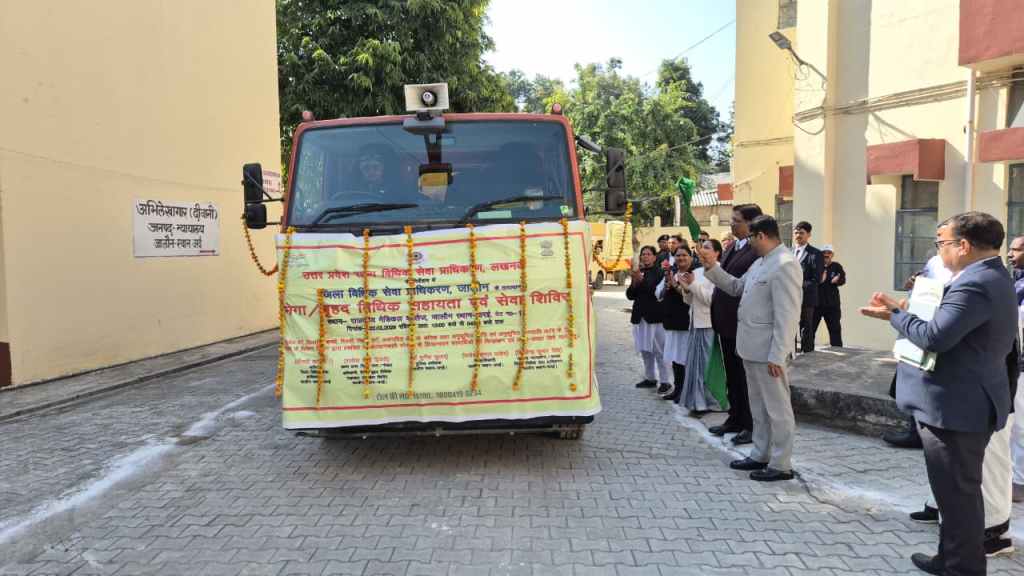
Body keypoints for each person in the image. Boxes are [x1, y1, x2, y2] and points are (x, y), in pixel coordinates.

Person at [860, 212, 1016, 575]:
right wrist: (905, 311)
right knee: (953, 494)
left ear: (963, 246)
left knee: (959, 495)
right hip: (964, 401)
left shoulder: (975, 283)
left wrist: (894, 315)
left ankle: (963, 568)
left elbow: (934, 338)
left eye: (941, 242)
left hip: (956, 407)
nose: (938, 249)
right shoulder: (991, 276)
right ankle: (950, 558)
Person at [698, 215, 802, 481]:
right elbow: (736, 287)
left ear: (761, 236)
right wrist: (712, 267)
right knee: (759, 407)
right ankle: (760, 453)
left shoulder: (785, 264)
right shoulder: (760, 262)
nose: (749, 243)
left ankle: (781, 464)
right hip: (751, 348)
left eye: (751, 238)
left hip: (769, 352)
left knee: (777, 410)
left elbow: (787, 316)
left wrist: (778, 354)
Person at [708, 204, 763, 446]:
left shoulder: (757, 251)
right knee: (732, 376)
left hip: (742, 324)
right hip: (725, 324)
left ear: (751, 223)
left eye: (736, 220)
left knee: (744, 378)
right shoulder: (733, 246)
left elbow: (742, 287)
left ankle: (750, 425)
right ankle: (735, 417)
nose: (731, 224)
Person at [676, 240, 721, 415]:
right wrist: (686, 289)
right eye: (702, 247)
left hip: (709, 324)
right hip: (695, 323)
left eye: (707, 247)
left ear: (717, 253)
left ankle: (707, 402)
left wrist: (693, 285)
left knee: (705, 367)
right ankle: (695, 402)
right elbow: (689, 301)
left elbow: (711, 300)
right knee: (693, 366)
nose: (703, 250)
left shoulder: (719, 271)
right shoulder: (696, 271)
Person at [627, 246, 672, 391]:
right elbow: (630, 295)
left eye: (648, 254)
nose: (645, 256)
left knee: (660, 351)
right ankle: (650, 378)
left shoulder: (660, 273)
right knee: (645, 350)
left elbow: (655, 292)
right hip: (640, 316)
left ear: (654, 257)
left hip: (655, 317)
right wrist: (634, 281)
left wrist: (641, 280)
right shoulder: (639, 272)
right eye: (643, 254)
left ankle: (665, 381)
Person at [655, 246, 693, 401]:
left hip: (686, 323)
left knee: (685, 358)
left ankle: (686, 391)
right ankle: (678, 389)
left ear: (690, 257)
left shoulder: (694, 274)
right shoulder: (671, 273)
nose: (681, 258)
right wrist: (667, 284)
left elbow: (690, 295)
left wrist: (676, 285)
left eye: (684, 255)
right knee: (676, 358)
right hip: (672, 322)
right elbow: (659, 294)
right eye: (678, 255)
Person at [793, 221, 824, 353]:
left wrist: (796, 284)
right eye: (796, 232)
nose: (798, 235)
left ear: (809, 235)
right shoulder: (788, 252)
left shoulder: (816, 254)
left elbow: (816, 278)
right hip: (789, 296)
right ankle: (790, 352)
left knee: (806, 326)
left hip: (807, 297)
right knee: (789, 325)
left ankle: (807, 354)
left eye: (801, 233)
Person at [1010, 235, 1024, 503]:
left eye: (1017, 250)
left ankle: (1020, 482)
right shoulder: (1016, 280)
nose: (1010, 254)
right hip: (1014, 362)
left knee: (1021, 425)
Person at [813, 245, 845, 347]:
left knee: (835, 329)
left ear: (832, 255)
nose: (826, 254)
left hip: (832, 305)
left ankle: (837, 350)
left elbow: (843, 279)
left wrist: (837, 280)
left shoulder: (837, 266)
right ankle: (807, 352)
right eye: (824, 253)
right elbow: (810, 281)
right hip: (816, 304)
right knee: (810, 329)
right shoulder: (816, 266)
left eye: (829, 252)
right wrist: (820, 280)